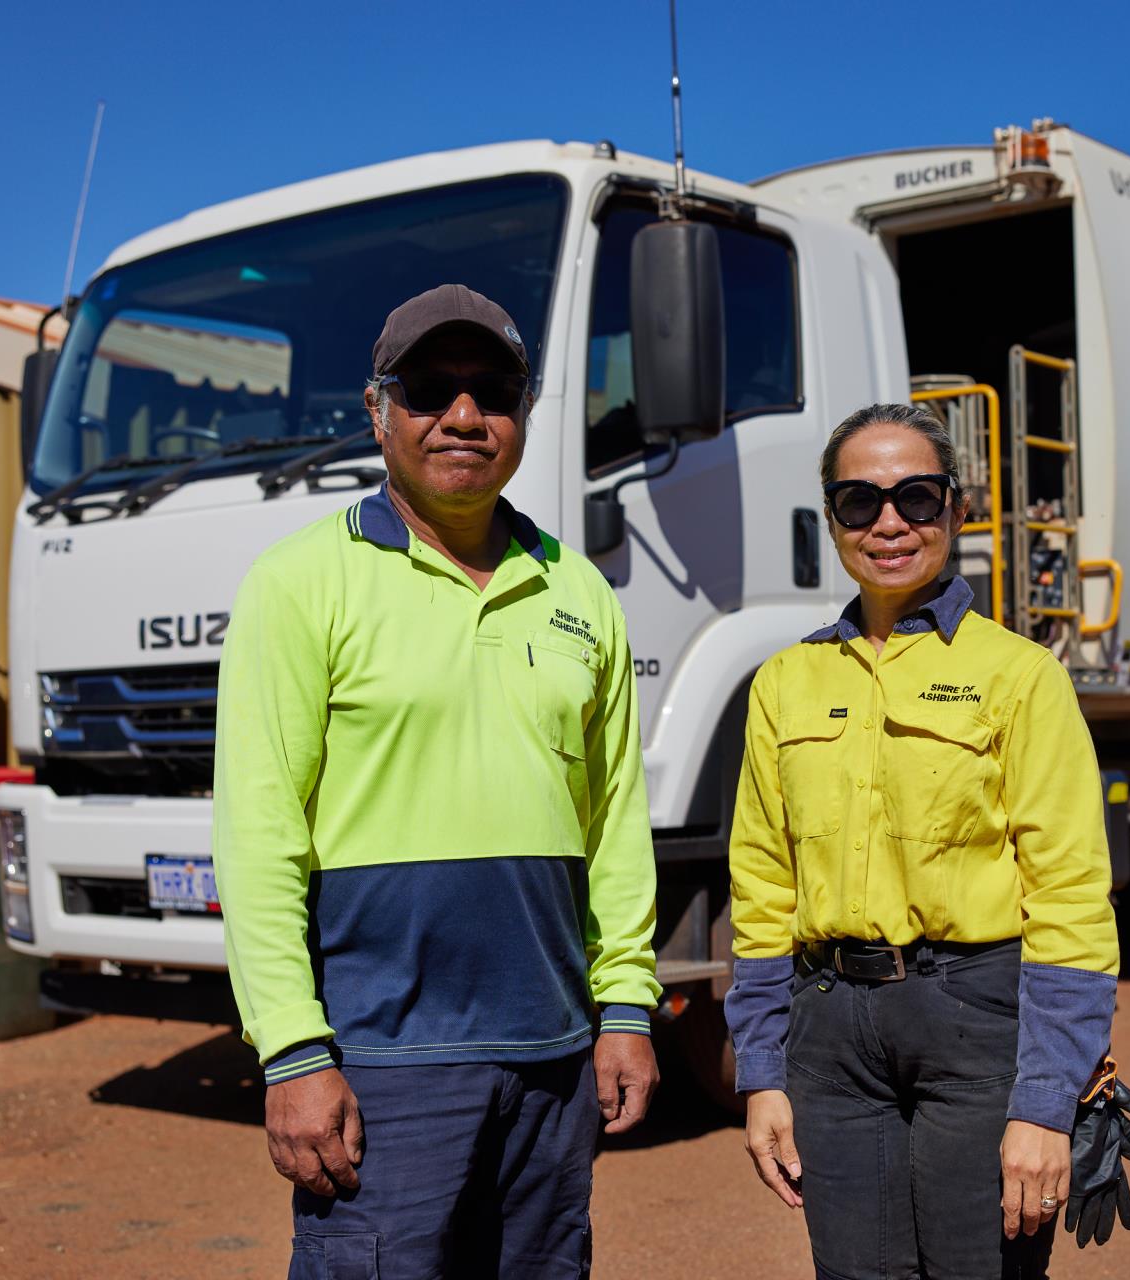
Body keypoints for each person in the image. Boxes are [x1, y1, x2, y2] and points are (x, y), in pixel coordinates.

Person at [213, 283, 660, 1279]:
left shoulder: (577, 589)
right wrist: (292, 1049)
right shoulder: (300, 583)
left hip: (550, 1059)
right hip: (383, 1063)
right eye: (428, 389)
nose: (463, 414)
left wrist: (623, 1004)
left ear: (525, 411)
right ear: (378, 409)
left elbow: (615, 818)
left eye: (491, 388)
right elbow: (258, 835)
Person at [725, 403, 1130, 1279]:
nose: (888, 523)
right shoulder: (782, 684)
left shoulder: (1019, 675)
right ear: (830, 516)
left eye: (915, 498)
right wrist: (762, 1071)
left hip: (972, 1021)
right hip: (829, 1032)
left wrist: (1043, 1103)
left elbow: (1070, 894)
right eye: (858, 501)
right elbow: (762, 885)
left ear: (955, 512)